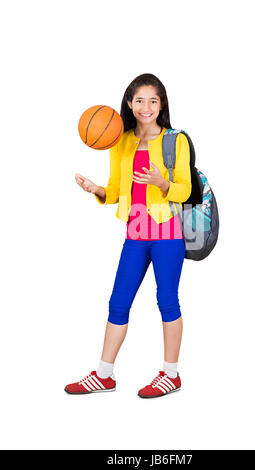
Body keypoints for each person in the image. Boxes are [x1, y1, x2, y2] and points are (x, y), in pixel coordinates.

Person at [65, 73, 191, 398]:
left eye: (153, 100)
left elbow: (185, 189)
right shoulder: (120, 140)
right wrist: (97, 190)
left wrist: (160, 183)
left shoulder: (175, 140)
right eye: (139, 100)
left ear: (161, 104)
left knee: (167, 301)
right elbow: (118, 190)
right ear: (129, 103)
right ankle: (104, 375)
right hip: (135, 233)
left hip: (167, 233)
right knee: (118, 303)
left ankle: (171, 374)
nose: (145, 107)